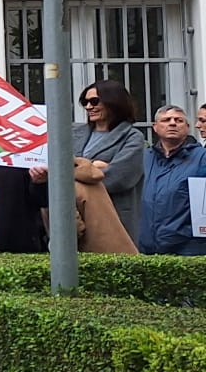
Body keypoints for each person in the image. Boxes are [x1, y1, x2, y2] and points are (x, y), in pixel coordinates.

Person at [75, 80, 145, 242]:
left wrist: (80, 169)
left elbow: (119, 177)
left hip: (113, 214)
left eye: (94, 101)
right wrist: (94, 167)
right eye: (85, 102)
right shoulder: (74, 133)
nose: (88, 107)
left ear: (114, 102)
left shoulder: (132, 137)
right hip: (76, 215)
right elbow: (60, 168)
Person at [138, 106, 206, 255]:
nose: (173, 123)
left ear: (187, 128)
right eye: (166, 120)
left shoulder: (202, 157)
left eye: (179, 120)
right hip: (145, 248)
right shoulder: (143, 158)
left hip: (188, 248)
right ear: (155, 127)